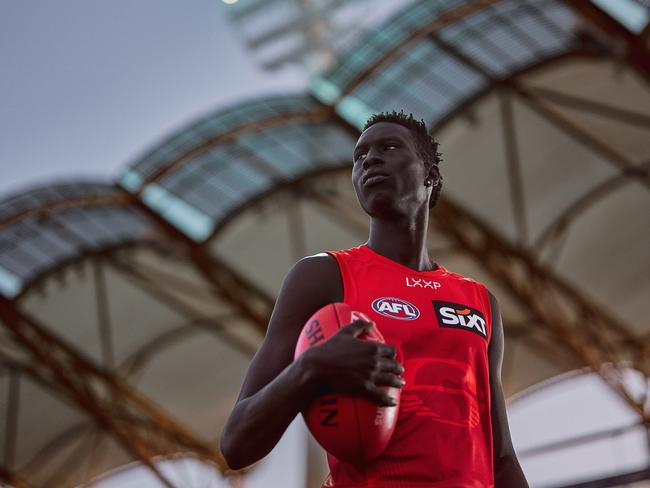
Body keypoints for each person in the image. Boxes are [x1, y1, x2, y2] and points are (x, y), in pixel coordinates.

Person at [220, 110, 528, 487]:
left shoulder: (479, 301)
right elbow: (236, 444)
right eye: (359, 156)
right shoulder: (323, 275)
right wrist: (310, 369)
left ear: (430, 174)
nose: (370, 159)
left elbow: (501, 457)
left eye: (390, 146)